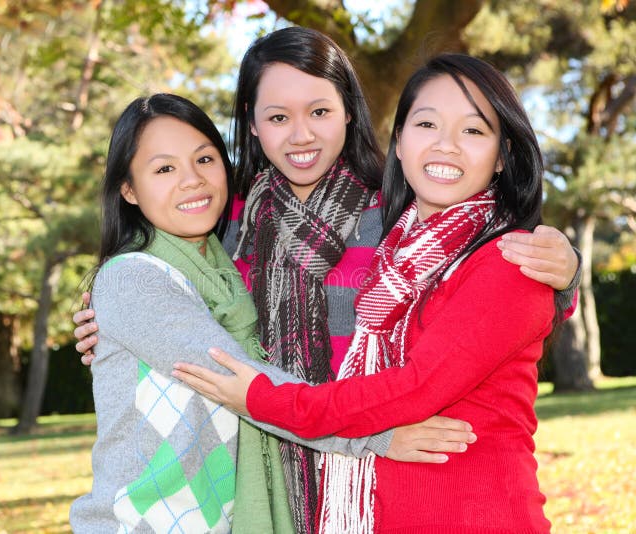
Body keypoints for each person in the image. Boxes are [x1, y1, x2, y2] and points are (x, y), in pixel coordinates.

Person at [72, 27, 579, 533]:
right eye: (277, 117)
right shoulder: (229, 229)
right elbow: (174, 306)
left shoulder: (396, 215)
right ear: (251, 125)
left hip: (374, 472)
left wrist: (567, 273)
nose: (301, 135)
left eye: (319, 111)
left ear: (350, 111)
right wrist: (107, 326)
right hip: (272, 475)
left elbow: (479, 290)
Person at [69, 93, 475, 534]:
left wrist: (563, 267)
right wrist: (378, 437)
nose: (192, 180)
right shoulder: (136, 279)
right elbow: (239, 379)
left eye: (205, 159)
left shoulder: (229, 262)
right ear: (127, 189)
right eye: (164, 169)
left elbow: (474, 254)